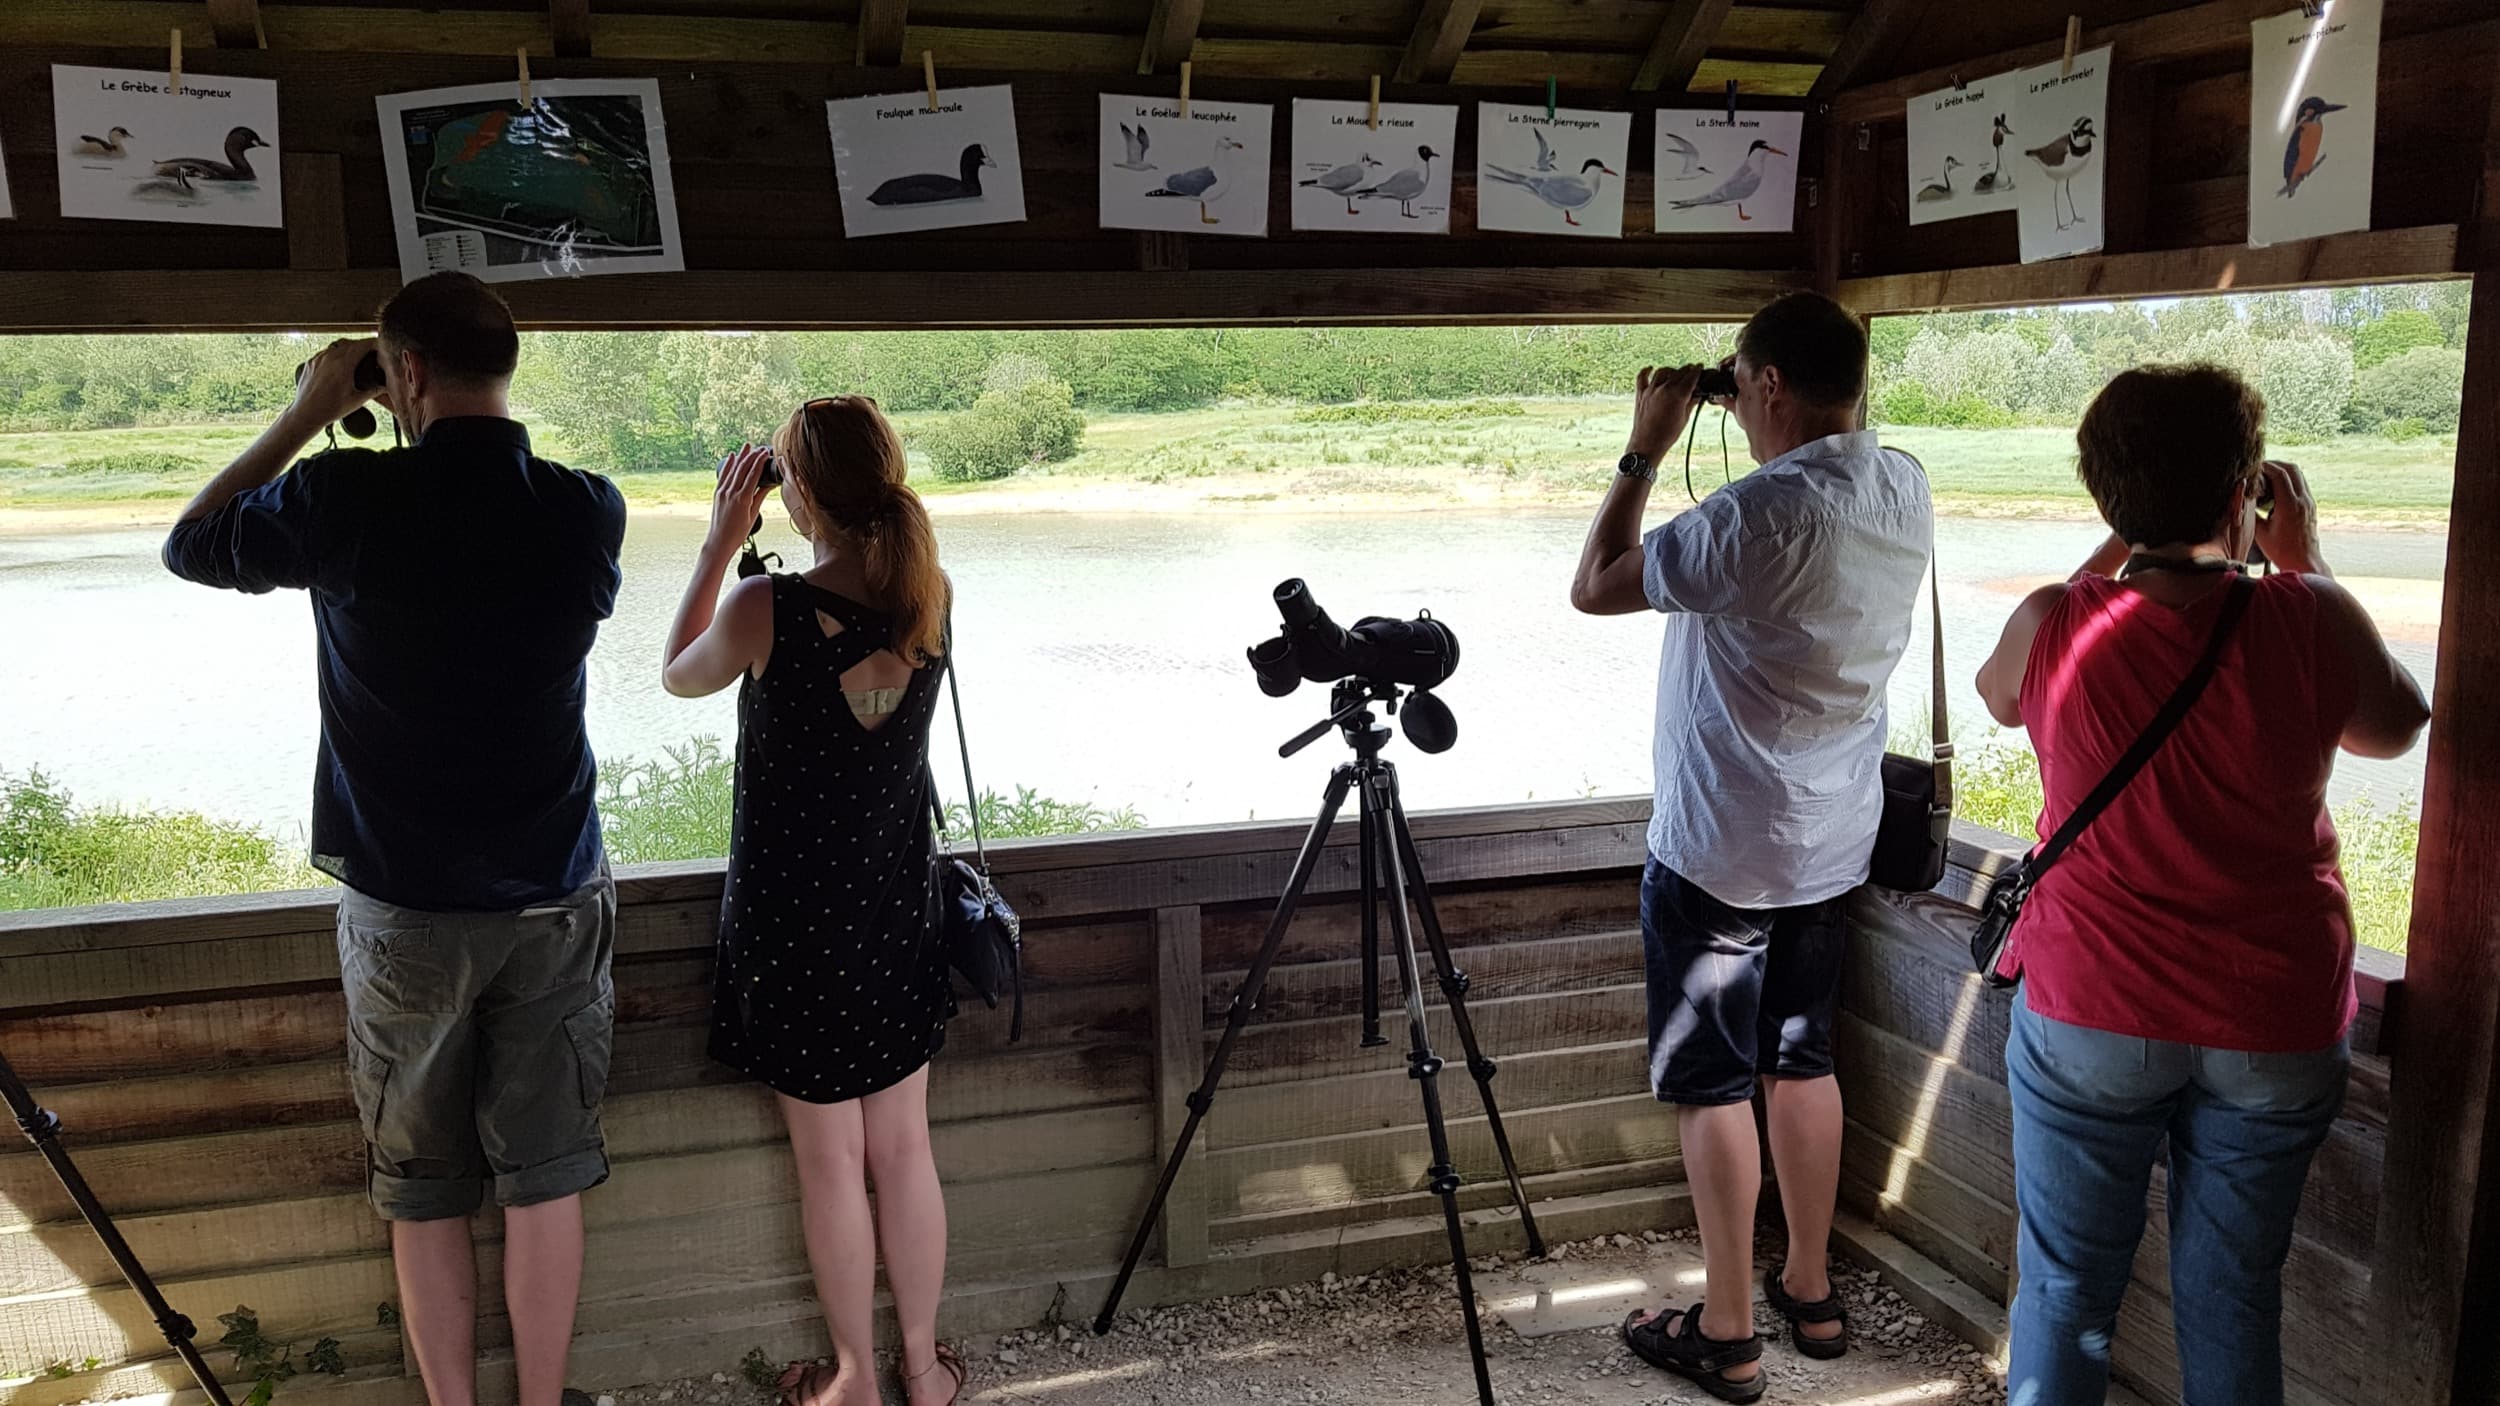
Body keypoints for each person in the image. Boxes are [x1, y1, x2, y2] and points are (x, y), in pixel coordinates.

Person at [161, 271, 627, 1406]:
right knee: (545, 1173)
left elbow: (192, 542)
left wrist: (313, 406)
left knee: (422, 1184)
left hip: (407, 904)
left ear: (402, 372)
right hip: (556, 892)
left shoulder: (345, 501)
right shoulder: (586, 506)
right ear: (506, 368)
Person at [1974, 364, 2428, 1406]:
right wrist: (2301, 562)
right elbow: (2395, 724)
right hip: (2270, 1011)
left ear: (2101, 495)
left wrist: (2120, 541)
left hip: (2092, 1007)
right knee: (2231, 1294)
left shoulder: (2053, 621)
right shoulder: (2309, 618)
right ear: (2245, 492)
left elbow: (2000, 701)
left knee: (2063, 1291)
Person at [1569, 291, 1934, 1403]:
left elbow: (1594, 586)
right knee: (1802, 1054)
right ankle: (1810, 1288)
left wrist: (1644, 447)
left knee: (1714, 1081)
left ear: (1764, 384)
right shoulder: (1902, 480)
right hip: (1831, 837)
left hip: (1721, 842)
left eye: (1740, 381)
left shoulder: (1750, 518)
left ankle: (1727, 1330)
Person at [660, 396, 962, 1406]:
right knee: (904, 1148)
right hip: (895, 913)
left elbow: (674, 676)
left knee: (831, 1162)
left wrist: (717, 543)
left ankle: (855, 1379)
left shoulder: (767, 608)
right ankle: (924, 1369)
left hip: (793, 931)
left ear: (799, 493)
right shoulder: (932, 596)